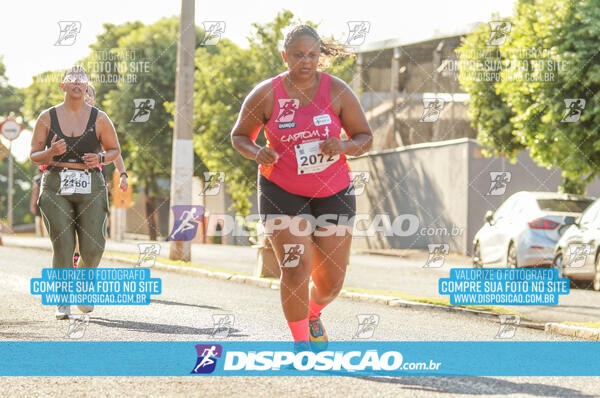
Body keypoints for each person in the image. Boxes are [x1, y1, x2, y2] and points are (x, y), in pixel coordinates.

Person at [231, 25, 373, 351]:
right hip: (281, 188)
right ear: (285, 56)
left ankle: (311, 313)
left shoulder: (337, 92)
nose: (305, 61)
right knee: (296, 270)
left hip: (333, 189)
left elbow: (364, 137)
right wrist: (256, 152)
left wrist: (342, 146)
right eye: (298, 55)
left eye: (312, 54)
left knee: (332, 282)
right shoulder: (267, 94)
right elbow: (240, 136)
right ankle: (301, 348)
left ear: (320, 56)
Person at [29, 65, 121, 320]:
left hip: (90, 182)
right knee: (63, 244)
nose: (77, 83)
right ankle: (62, 300)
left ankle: (83, 281)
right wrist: (49, 153)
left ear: (87, 86)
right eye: (72, 80)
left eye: (82, 80)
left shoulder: (100, 118)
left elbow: (114, 150)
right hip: (56, 182)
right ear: (64, 86)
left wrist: (101, 157)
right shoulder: (47, 117)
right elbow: (34, 156)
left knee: (93, 247)